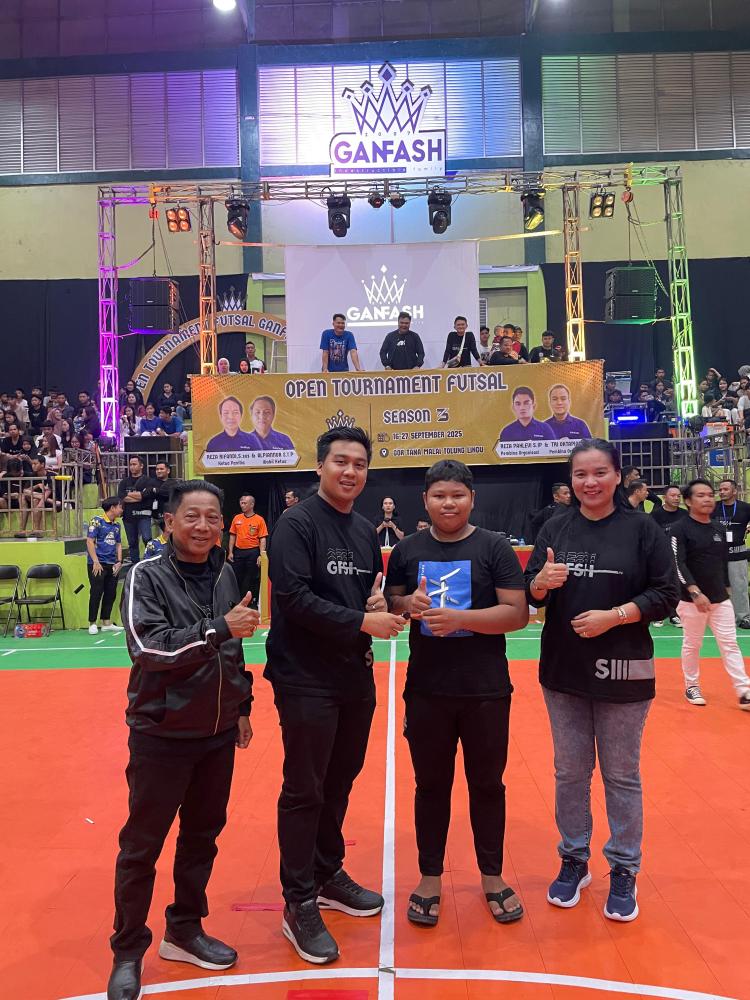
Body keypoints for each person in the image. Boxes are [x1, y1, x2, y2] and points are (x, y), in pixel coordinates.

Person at [107, 481, 259, 1000]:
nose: (203, 526)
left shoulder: (225, 570)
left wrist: (242, 705)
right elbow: (148, 649)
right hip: (161, 734)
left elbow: (234, 648)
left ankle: (185, 929)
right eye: (191, 516)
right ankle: (127, 951)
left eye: (212, 517)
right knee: (142, 846)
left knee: (201, 838)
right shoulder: (144, 575)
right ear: (169, 522)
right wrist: (218, 629)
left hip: (216, 733)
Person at [265, 427, 406, 964]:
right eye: (341, 461)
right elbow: (293, 599)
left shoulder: (365, 530)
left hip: (353, 675)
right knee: (305, 788)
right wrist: (362, 622)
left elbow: (365, 594)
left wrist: (381, 605)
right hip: (305, 676)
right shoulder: (296, 523)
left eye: (360, 464)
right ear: (320, 466)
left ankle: (326, 873)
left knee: (340, 780)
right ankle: (297, 900)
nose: (350, 471)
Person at [524, 439, 678, 922]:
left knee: (621, 774)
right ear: (570, 480)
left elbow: (667, 593)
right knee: (570, 772)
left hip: (625, 669)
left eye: (599, 473)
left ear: (617, 475)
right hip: (563, 670)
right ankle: (573, 857)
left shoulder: (644, 529)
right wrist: (540, 584)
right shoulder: (555, 527)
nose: (589, 483)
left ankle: (625, 867)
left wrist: (616, 616)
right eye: (580, 474)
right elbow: (532, 594)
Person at [385, 460, 528, 926]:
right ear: (425, 500)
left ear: (472, 499)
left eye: (458, 495)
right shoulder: (407, 550)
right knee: (431, 786)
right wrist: (408, 604)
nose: (449, 503)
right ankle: (430, 876)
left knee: (487, 785)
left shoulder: (494, 547)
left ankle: (492, 875)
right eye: (440, 495)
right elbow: (391, 603)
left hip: (486, 690)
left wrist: (461, 619)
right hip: (427, 690)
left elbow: (517, 614)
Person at [671, 479, 750, 710]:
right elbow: (677, 563)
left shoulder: (718, 528)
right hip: (691, 601)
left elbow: (721, 561)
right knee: (693, 643)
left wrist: (726, 586)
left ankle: (744, 690)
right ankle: (692, 685)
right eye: (700, 495)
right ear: (688, 501)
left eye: (709, 494)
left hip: (720, 599)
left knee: (730, 644)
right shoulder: (679, 528)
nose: (707, 499)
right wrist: (694, 592)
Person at [650, 485, 687, 627]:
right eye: (673, 495)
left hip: (679, 557)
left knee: (677, 587)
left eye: (678, 496)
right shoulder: (655, 515)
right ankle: (658, 615)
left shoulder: (685, 514)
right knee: (660, 586)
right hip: (660, 557)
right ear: (665, 497)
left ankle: (674, 615)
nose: (676, 498)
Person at [715, 478, 750, 628]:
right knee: (715, 587)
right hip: (716, 555)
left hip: (738, 554)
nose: (721, 492)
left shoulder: (745, 508)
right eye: (720, 489)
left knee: (739, 587)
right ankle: (719, 617)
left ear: (734, 491)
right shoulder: (713, 507)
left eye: (725, 489)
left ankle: (743, 617)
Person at [86, 497, 124, 635]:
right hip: (97, 564)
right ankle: (92, 623)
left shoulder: (117, 525)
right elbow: (90, 541)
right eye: (120, 507)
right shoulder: (97, 521)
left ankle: (106, 622)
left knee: (110, 593)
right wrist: (95, 561)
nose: (122, 510)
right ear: (112, 508)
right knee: (96, 593)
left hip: (112, 564)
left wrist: (119, 561)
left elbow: (118, 544)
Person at [228, 494, 268, 610]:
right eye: (241, 503)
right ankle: (236, 602)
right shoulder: (237, 518)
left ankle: (249, 602)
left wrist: (261, 555)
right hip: (239, 552)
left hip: (253, 552)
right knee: (236, 577)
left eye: (245, 503)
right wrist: (230, 552)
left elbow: (262, 538)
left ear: (252, 504)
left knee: (250, 578)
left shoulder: (259, 519)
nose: (242, 505)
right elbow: (232, 535)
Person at [117, 456, 156, 563]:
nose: (132, 467)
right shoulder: (124, 482)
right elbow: (122, 497)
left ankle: (150, 562)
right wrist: (139, 496)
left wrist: (130, 494)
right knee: (132, 542)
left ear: (141, 465)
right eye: (130, 464)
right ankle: (135, 564)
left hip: (144, 515)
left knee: (147, 539)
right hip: (128, 516)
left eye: (134, 464)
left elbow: (146, 496)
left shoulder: (148, 481)